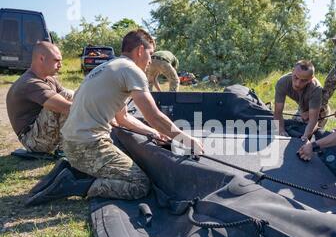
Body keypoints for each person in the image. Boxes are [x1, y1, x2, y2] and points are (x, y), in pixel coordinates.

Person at [26, 29, 203, 206]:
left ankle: (71, 168)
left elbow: (123, 118)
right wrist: (185, 139)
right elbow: (153, 115)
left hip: (71, 142)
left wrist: (153, 133)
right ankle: (75, 185)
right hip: (88, 145)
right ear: (140, 50)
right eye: (150, 54)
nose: (150, 61)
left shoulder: (109, 67)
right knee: (139, 184)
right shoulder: (132, 70)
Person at [6, 41, 73, 154]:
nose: (60, 65)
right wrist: (100, 114)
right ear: (41, 59)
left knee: (69, 94)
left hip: (41, 133)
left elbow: (74, 98)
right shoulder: (30, 82)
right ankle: (64, 149)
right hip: (32, 140)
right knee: (66, 101)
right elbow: (66, 107)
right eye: (56, 60)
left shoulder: (49, 78)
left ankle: (69, 144)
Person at [273, 60, 331, 140]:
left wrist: (305, 137)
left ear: (311, 79)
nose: (297, 83)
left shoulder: (316, 89)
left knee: (313, 138)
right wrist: (281, 130)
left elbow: (313, 121)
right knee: (294, 128)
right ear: (292, 72)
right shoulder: (283, 82)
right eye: (296, 77)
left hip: (320, 109)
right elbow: (278, 112)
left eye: (303, 80)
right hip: (302, 108)